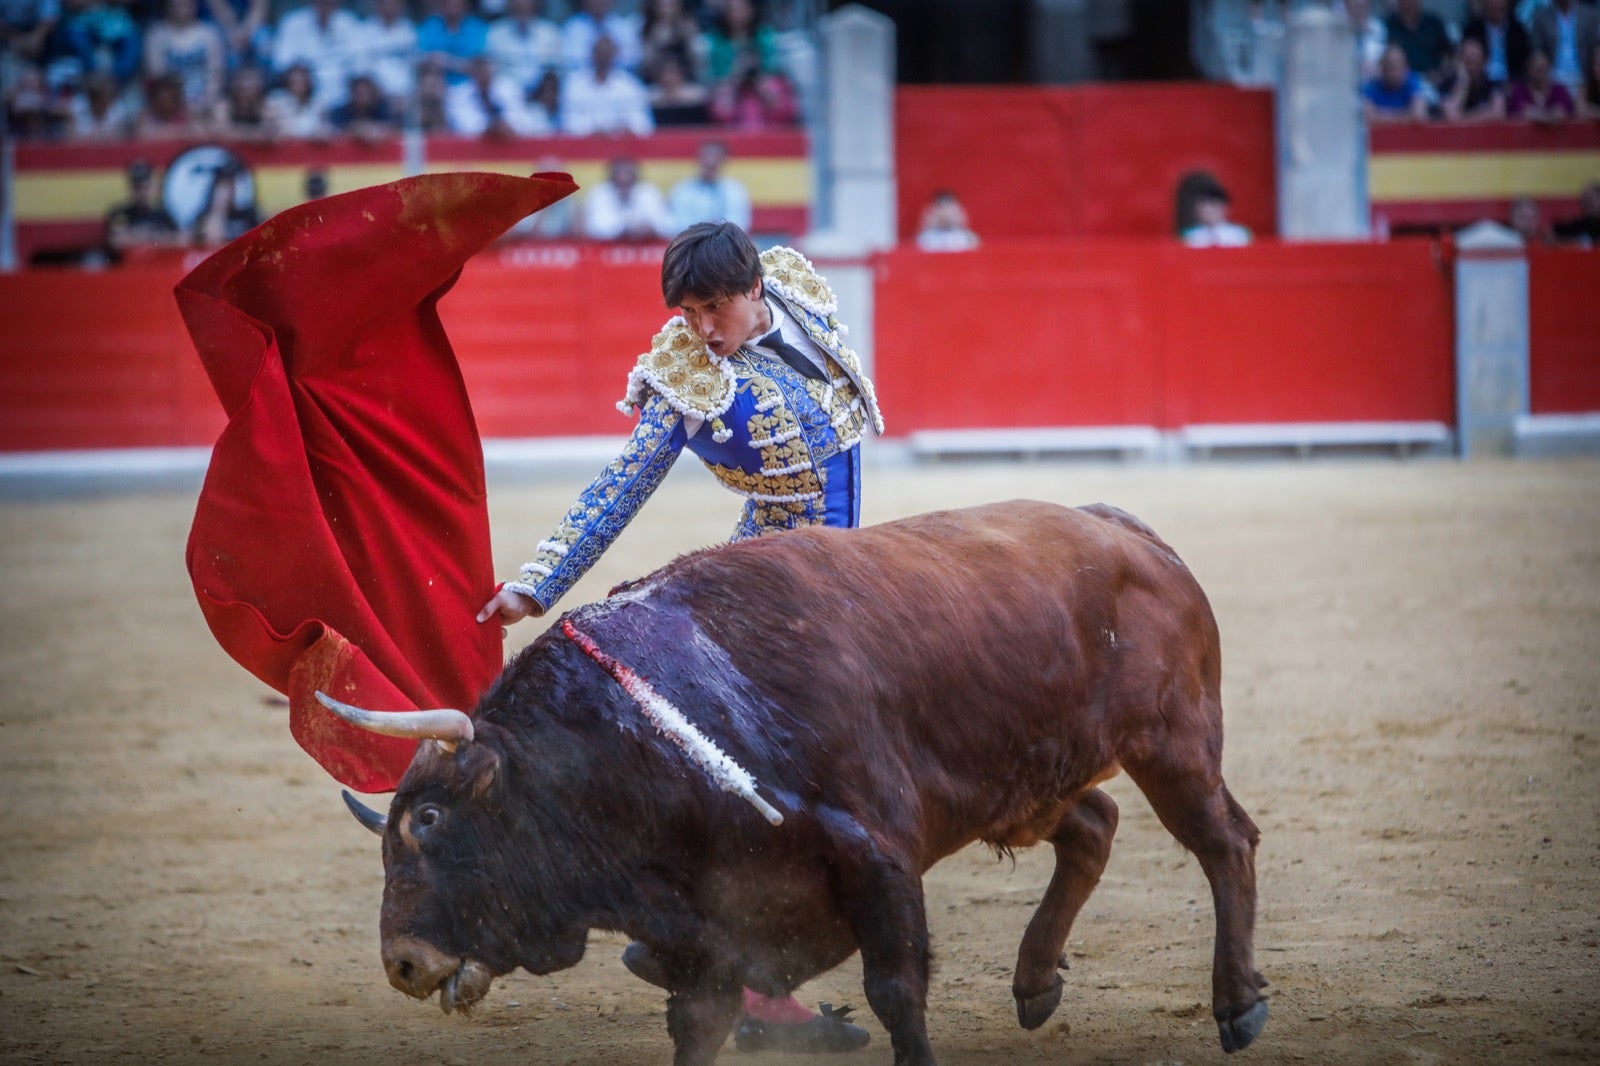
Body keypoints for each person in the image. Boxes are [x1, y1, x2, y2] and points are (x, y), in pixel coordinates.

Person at [475, 222, 881, 1055]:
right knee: (781, 785)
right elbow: (621, 485)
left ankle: (730, 971)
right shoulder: (684, 376)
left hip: (848, 569)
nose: (701, 326)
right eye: (688, 311)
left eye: (713, 307)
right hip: (774, 588)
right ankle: (714, 960)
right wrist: (536, 583)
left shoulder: (798, 288)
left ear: (753, 288)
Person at [271, 0, 363, 110]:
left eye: (330, 3)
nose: (325, 6)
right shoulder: (292, 23)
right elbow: (282, 63)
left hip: (344, 95)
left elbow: (360, 64)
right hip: (304, 94)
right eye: (321, 2)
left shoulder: (349, 23)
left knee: (362, 88)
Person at [560, 32, 653, 135]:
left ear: (614, 55)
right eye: (600, 53)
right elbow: (568, 123)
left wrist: (619, 130)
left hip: (621, 146)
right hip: (584, 146)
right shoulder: (574, 85)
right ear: (592, 54)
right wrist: (596, 131)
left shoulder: (630, 85)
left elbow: (643, 124)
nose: (603, 58)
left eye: (607, 54)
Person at [143, 0, 226, 112]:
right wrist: (176, 103)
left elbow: (216, 74)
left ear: (195, 6)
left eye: (187, 5)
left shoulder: (210, 34)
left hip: (204, 100)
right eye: (178, 5)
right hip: (168, 102)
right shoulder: (156, 36)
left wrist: (206, 101)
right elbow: (157, 76)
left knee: (221, 110)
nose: (183, 10)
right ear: (169, 6)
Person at [102, 157, 182, 262]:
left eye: (145, 187)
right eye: (137, 187)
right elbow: (116, 241)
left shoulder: (164, 213)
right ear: (131, 188)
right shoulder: (120, 213)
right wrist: (155, 238)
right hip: (129, 266)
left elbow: (180, 239)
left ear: (152, 186)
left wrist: (141, 236)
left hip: (158, 264)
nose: (141, 192)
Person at [580, 154, 673, 240]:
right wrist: (624, 229)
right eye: (619, 175)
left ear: (636, 176)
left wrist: (650, 227)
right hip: (606, 249)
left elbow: (665, 225)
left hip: (647, 247)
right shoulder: (599, 193)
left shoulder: (648, 192)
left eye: (628, 174)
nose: (624, 178)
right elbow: (594, 227)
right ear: (612, 177)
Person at [668, 139, 752, 233]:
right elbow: (675, 224)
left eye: (715, 158)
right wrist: (704, 228)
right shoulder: (682, 189)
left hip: (725, 243)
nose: (710, 161)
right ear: (698, 159)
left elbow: (740, 223)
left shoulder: (735, 190)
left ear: (724, 161)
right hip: (690, 242)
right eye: (706, 157)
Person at [485, 0, 559, 94]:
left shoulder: (550, 33)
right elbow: (492, 71)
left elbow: (554, 72)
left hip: (541, 96)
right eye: (518, 4)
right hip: (506, 94)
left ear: (535, 5)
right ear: (510, 5)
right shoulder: (496, 33)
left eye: (526, 3)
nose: (522, 5)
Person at [1529, 0, 1599, 92]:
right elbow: (1536, 47)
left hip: (1584, 78)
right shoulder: (1541, 16)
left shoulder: (1589, 15)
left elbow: (1596, 45)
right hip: (1552, 79)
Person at [190, 158, 261, 247]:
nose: (228, 193)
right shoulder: (201, 218)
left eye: (232, 186)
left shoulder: (247, 217)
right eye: (223, 187)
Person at [1462, 0, 1532, 86]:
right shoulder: (1473, 29)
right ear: (1484, 4)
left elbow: (1524, 62)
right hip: (1480, 84)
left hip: (1510, 83)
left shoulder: (1517, 30)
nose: (1496, 4)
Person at [1176, 170, 1251, 247]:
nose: (1208, 210)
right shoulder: (1188, 236)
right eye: (1203, 205)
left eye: (1213, 205)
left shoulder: (1240, 234)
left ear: (1224, 207)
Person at [1440, 37, 1507, 122]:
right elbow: (1451, 116)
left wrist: (1462, 116)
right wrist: (1463, 82)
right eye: (1468, 61)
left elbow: (1499, 113)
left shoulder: (1493, 84)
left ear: (1484, 61)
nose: (1473, 67)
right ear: (1460, 61)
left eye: (1477, 60)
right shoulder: (1446, 85)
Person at [1363, 43, 1430, 123]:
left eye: (1398, 65)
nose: (1394, 71)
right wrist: (1405, 114)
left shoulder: (1413, 82)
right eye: (1390, 66)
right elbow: (1368, 116)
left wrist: (1383, 114)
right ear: (1382, 68)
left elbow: (1419, 115)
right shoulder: (1372, 86)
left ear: (1406, 67)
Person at [1508, 47, 1576, 120]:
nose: (1543, 74)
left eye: (1545, 69)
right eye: (1539, 69)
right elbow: (1519, 113)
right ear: (1529, 71)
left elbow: (1561, 113)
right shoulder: (1519, 91)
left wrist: (1536, 114)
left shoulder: (1559, 90)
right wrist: (1549, 115)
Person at [915, 189, 979, 251]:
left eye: (950, 209)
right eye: (941, 209)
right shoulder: (925, 239)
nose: (946, 214)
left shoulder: (968, 238)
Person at [1551, 180, 1600, 246]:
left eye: (1590, 200)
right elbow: (1551, 235)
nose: (1586, 204)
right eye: (1584, 200)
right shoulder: (1578, 224)